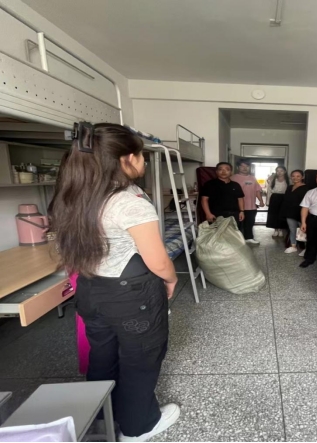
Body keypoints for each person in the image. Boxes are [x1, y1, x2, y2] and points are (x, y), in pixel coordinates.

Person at [48, 123, 180, 442]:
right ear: (126, 159)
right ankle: (137, 427)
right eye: (141, 155)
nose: (144, 162)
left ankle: (100, 417)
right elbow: (157, 260)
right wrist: (171, 279)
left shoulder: (74, 195)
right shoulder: (129, 202)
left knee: (103, 355)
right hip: (131, 296)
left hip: (91, 289)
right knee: (140, 359)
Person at [231, 159, 265, 244]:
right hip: (237, 206)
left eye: (247, 166)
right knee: (237, 224)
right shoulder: (233, 178)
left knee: (250, 223)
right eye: (242, 166)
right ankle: (237, 240)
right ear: (238, 167)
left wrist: (261, 201)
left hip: (251, 206)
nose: (244, 168)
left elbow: (257, 191)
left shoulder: (252, 178)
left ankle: (249, 238)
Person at [201, 162, 245, 226]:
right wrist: (208, 214)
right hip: (216, 215)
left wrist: (242, 211)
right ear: (216, 172)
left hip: (233, 215)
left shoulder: (236, 185)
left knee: (233, 231)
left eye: (227, 169)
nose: (224, 172)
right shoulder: (209, 184)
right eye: (220, 169)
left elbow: (240, 198)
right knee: (216, 232)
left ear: (231, 172)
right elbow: (204, 200)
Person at [280, 170, 309, 255]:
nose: (295, 178)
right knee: (292, 230)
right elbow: (286, 199)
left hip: (301, 213)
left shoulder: (306, 188)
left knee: (304, 231)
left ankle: (307, 249)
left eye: (298, 176)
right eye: (293, 176)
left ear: (302, 177)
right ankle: (293, 246)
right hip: (290, 212)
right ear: (290, 177)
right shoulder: (289, 187)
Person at [266, 166, 289, 237]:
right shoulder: (273, 180)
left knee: (282, 214)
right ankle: (276, 229)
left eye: (281, 171)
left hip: (284, 198)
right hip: (274, 198)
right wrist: (268, 201)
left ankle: (280, 229)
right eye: (278, 171)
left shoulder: (288, 180)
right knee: (274, 214)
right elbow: (269, 191)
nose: (279, 172)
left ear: (285, 172)